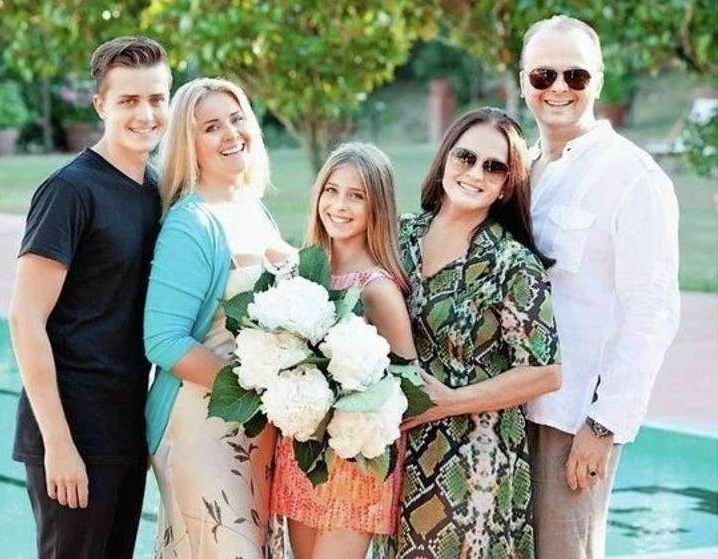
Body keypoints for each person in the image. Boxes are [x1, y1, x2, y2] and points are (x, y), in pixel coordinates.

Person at [519, 15, 680, 558]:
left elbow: (652, 311)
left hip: (572, 420)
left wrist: (604, 425)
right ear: (525, 82)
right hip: (506, 409)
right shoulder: (521, 169)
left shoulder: (633, 177)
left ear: (599, 80)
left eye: (576, 75)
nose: (558, 88)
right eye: (543, 75)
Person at [9, 36, 171, 558]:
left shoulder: (155, 190)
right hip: (72, 429)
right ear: (101, 105)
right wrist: (58, 443)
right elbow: (25, 320)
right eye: (129, 100)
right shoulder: (69, 191)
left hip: (126, 427)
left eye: (157, 98)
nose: (145, 114)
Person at [389, 108, 562, 558]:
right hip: (397, 452)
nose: (475, 173)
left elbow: (546, 373)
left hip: (474, 466)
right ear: (445, 157)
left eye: (493, 167)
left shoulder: (511, 263)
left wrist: (449, 401)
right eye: (465, 157)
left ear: (506, 185)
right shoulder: (399, 235)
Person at [144, 77, 292, 559]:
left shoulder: (251, 209)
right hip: (202, 426)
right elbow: (163, 341)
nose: (230, 133)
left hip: (258, 426)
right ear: (189, 145)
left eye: (236, 118)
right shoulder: (191, 223)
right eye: (211, 127)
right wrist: (255, 391)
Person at [269, 142, 416, 559]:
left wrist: (352, 409)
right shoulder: (303, 274)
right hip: (301, 452)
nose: (339, 205)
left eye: (356, 196)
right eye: (331, 191)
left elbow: (408, 385)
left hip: (355, 460)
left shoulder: (377, 289)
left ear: (377, 207)